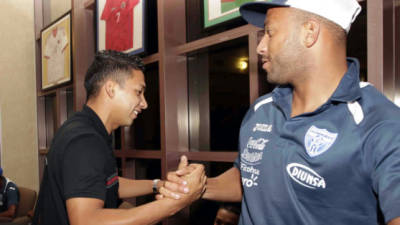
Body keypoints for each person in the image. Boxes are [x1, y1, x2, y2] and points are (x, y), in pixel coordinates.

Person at [164, 0, 400, 224]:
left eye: (269, 32)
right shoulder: (262, 109)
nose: (260, 47)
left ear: (310, 32)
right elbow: (250, 175)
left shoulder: (381, 124)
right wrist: (201, 186)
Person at [33, 50, 206, 225]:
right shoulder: (84, 140)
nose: (144, 103)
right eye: (139, 92)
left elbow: (106, 183)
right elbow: (86, 221)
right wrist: (177, 202)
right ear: (111, 89)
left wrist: (158, 184)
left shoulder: (87, 129)